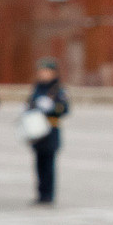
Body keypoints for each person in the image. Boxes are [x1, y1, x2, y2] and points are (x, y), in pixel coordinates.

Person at [27, 57, 71, 205]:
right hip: (36, 129)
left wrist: (52, 108)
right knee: (38, 163)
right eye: (41, 71)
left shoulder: (58, 89)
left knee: (48, 164)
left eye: (46, 71)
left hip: (51, 129)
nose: (43, 74)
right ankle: (40, 193)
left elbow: (65, 109)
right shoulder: (38, 88)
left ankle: (48, 195)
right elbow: (30, 103)